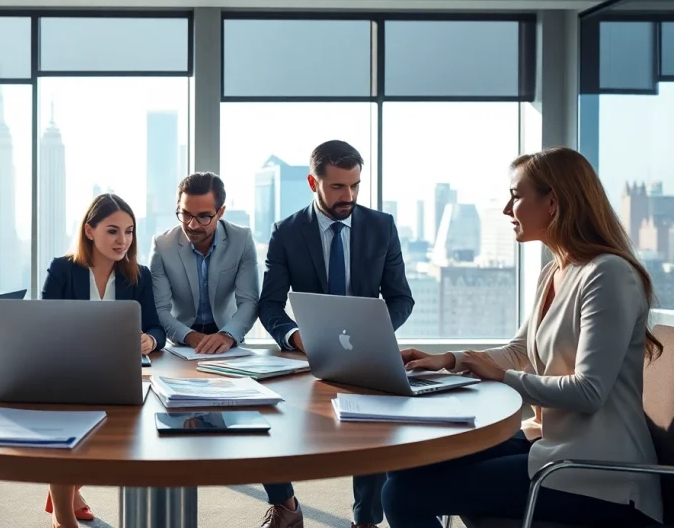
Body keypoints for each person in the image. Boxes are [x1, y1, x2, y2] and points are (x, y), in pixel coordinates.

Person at [383, 147, 663, 528]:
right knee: (404, 465)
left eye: (516, 196)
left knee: (401, 495)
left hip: (600, 475)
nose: (506, 209)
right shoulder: (555, 272)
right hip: (551, 448)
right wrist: (449, 360)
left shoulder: (608, 275)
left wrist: (501, 378)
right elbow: (520, 351)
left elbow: (589, 391)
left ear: (553, 202)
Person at [257, 140, 414, 528]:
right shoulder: (287, 232)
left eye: (355, 185)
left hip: (367, 351)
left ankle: (365, 520)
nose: (349, 196)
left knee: (374, 425)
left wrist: (374, 332)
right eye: (338, 187)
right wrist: (295, 336)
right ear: (314, 183)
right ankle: (285, 505)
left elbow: (401, 298)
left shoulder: (381, 227)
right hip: (306, 354)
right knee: (267, 416)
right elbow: (270, 305)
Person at [41, 193, 166, 528]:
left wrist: (150, 339)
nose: (122, 240)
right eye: (112, 230)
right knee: (69, 428)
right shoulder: (62, 269)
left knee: (121, 436)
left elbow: (156, 327)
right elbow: (43, 324)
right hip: (67, 372)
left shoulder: (139, 275)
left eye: (129, 231)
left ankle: (67, 490)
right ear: (89, 231)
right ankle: (63, 518)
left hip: (118, 370)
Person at [150, 172, 259, 353]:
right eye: (185, 214)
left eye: (204, 217)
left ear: (220, 212)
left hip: (228, 341)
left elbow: (249, 302)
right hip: (182, 344)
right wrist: (190, 336)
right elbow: (159, 309)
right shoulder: (162, 245)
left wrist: (227, 335)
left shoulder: (241, 239)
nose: (192, 225)